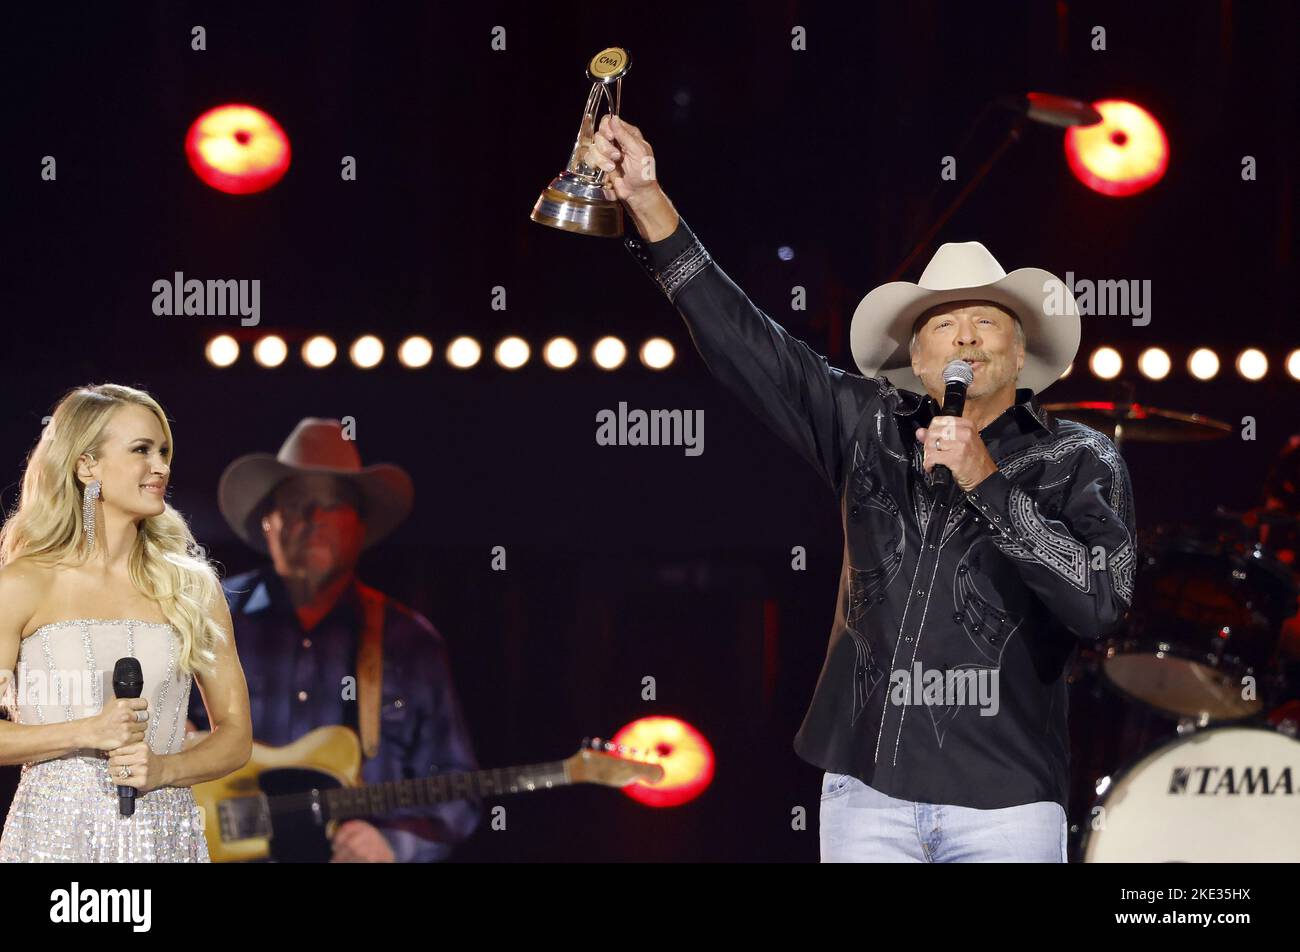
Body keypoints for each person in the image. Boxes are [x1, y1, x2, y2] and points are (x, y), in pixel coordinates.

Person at [590, 115, 1136, 862]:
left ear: (1023, 351)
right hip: (867, 791)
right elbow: (751, 345)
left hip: (1007, 800)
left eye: (987, 321)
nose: (967, 337)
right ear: (916, 353)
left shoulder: (1078, 457)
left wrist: (988, 480)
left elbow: (1101, 603)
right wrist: (650, 202)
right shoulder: (871, 425)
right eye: (945, 323)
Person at [187, 418, 480, 862]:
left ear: (361, 529)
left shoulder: (410, 642)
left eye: (333, 505)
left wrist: (395, 845)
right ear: (268, 523)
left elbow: (458, 784)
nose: (313, 519)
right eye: (296, 503)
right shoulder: (200, 614)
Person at [0, 384, 252, 862]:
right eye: (141, 450)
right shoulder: (21, 584)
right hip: (54, 838)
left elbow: (236, 735)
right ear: (86, 465)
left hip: (164, 834)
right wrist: (85, 732)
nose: (161, 466)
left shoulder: (192, 588)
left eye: (163, 451)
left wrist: (165, 769)